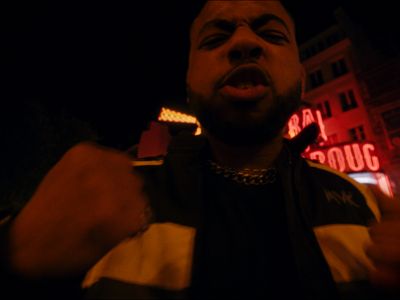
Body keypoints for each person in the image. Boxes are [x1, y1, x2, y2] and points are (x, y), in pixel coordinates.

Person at [1, 1, 400, 299]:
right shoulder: (106, 205)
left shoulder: (364, 206)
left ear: (301, 74)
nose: (244, 42)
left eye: (272, 35)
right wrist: (14, 255)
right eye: (215, 37)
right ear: (189, 80)